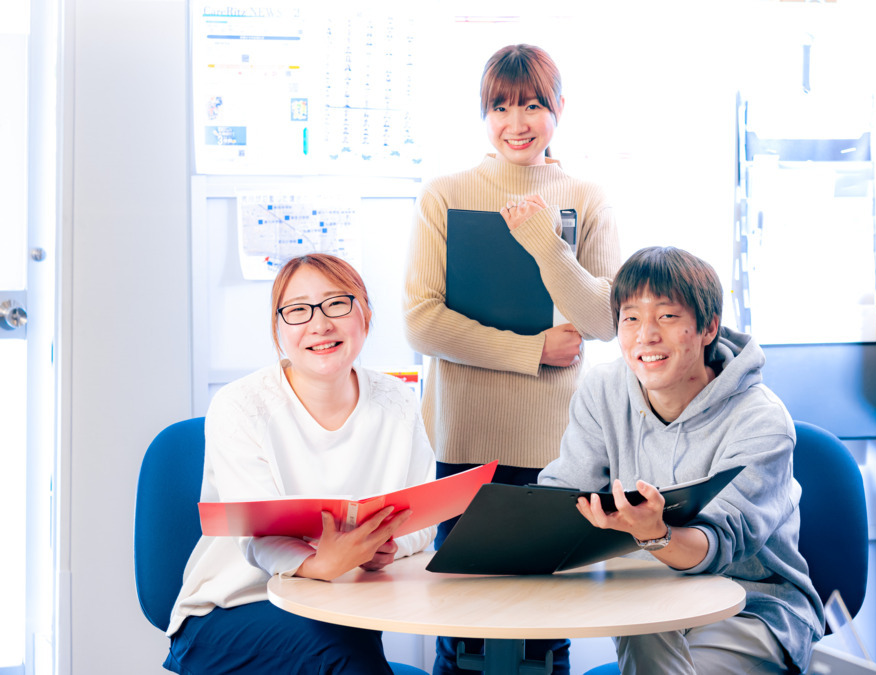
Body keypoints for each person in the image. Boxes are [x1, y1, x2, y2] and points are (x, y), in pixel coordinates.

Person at [403, 43, 621, 675]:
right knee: (463, 630)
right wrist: (533, 350)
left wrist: (547, 247)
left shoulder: (587, 196)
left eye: (532, 104)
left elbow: (605, 319)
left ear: (557, 111)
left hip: (558, 450)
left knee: (543, 634)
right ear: (483, 112)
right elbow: (421, 319)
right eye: (500, 105)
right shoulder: (444, 195)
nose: (516, 121)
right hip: (462, 440)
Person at [538, 246, 825, 674]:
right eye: (630, 318)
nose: (645, 335)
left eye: (667, 317)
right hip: (648, 601)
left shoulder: (761, 419)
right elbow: (566, 492)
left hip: (750, 607)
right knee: (641, 616)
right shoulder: (603, 390)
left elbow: (722, 542)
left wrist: (656, 535)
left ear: (708, 328)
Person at [164, 253, 436, 674]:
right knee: (344, 654)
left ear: (365, 313)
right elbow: (254, 531)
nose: (320, 324)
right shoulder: (240, 405)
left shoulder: (398, 402)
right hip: (230, 612)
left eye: (337, 303)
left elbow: (423, 519)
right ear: (279, 330)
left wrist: (384, 548)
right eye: (297, 310)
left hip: (336, 608)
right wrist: (315, 565)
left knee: (346, 644)